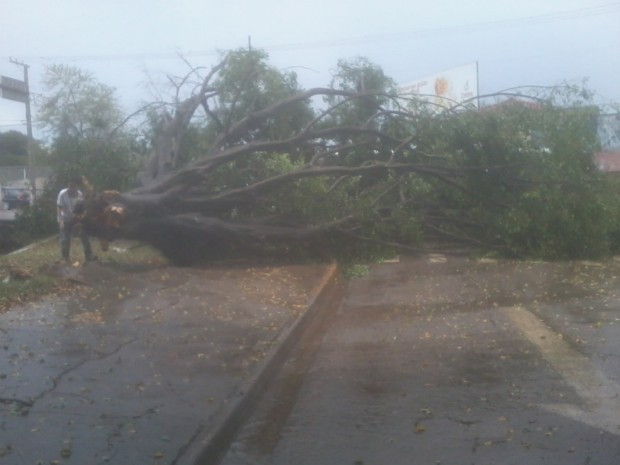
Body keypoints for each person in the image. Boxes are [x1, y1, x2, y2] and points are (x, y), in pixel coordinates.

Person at [57, 177, 95, 263]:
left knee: (85, 237)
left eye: (74, 186)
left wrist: (80, 220)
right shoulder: (62, 194)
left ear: (77, 187)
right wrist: (61, 221)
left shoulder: (80, 195)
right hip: (65, 219)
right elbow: (59, 207)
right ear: (68, 186)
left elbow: (81, 209)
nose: (72, 188)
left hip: (76, 219)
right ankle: (65, 258)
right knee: (64, 240)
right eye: (70, 186)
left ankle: (89, 257)